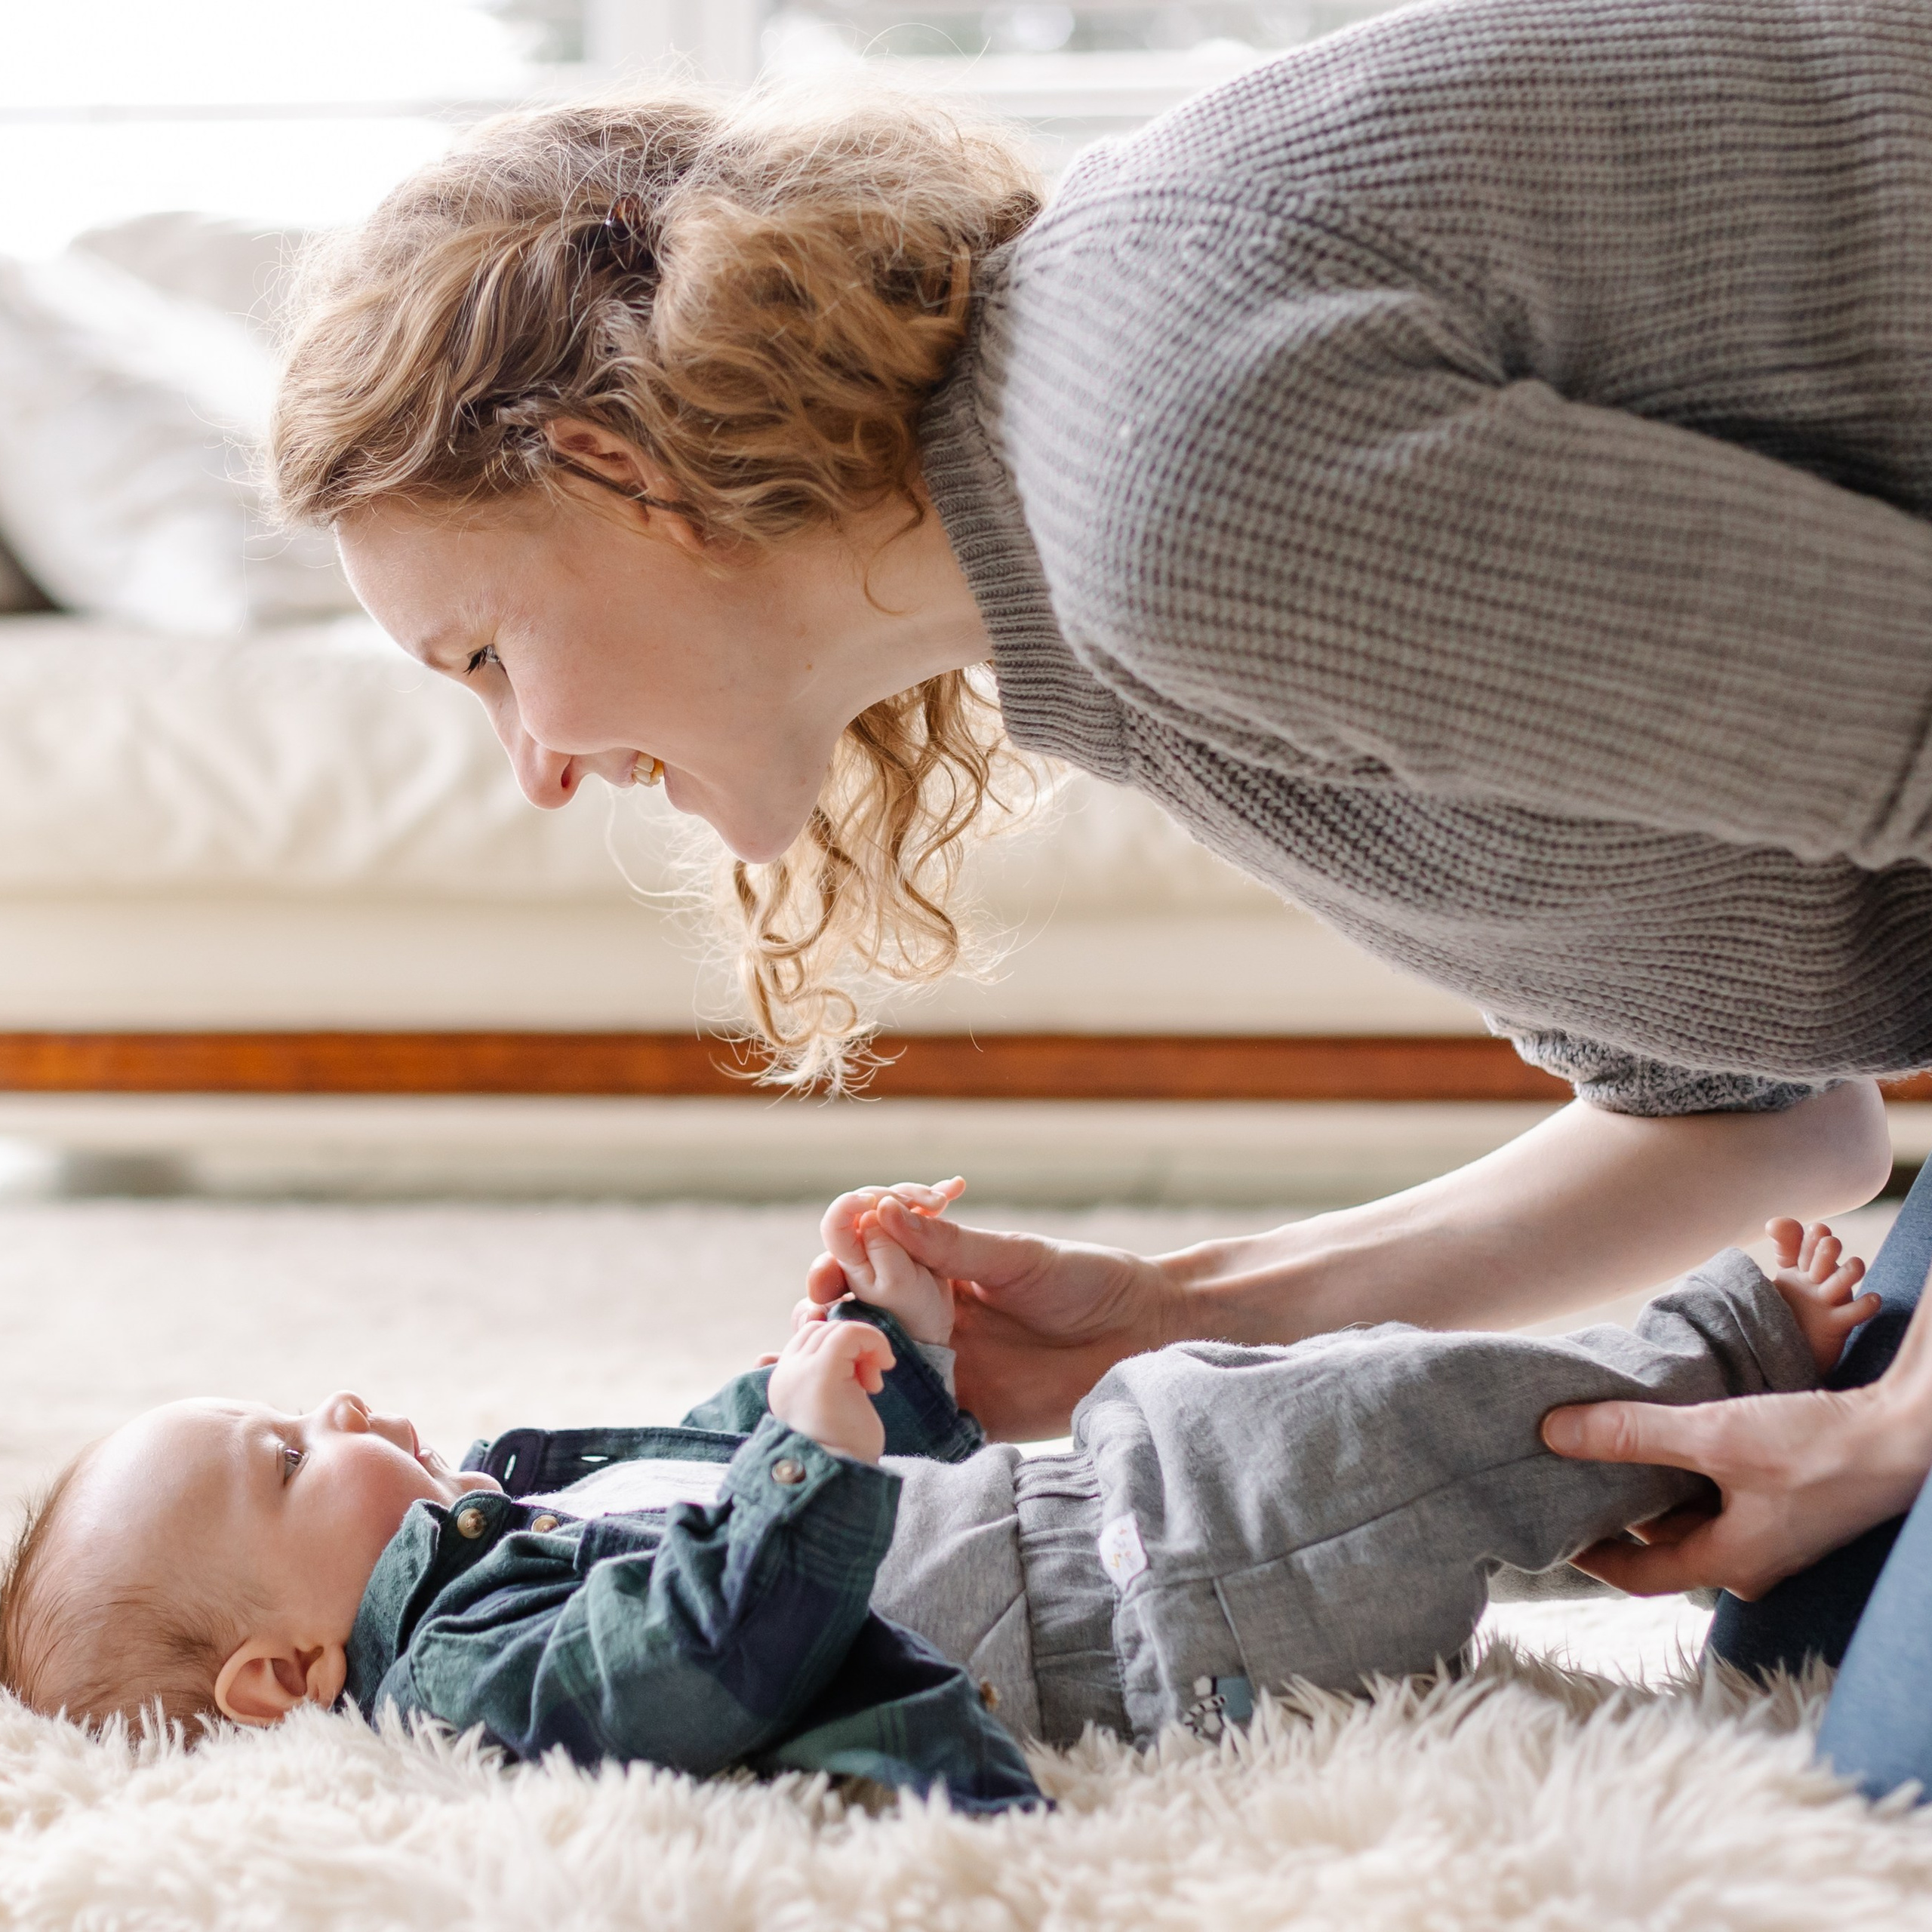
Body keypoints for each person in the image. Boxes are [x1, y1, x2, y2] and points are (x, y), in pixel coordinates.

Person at [266, 0, 1931, 1724]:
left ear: (618, 478)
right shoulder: (1095, 614)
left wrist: (1900, 1419)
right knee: (1813, 1656)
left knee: (1880, 1742)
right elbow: (1772, 1113)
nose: (530, 768)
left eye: (480, 655)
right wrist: (1162, 1310)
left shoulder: (1182, 495)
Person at [0, 1186, 1898, 1804]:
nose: (330, 1407)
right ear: (281, 1668)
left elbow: (720, 1443)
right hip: (1152, 1612)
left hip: (1107, 1506)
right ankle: (1732, 1350)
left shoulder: (500, 1511)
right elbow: (698, 1659)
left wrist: (867, 1360)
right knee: (1386, 1431)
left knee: (1337, 1427)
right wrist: (809, 1460)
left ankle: (1693, 1488)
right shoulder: (468, 1679)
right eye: (280, 1452)